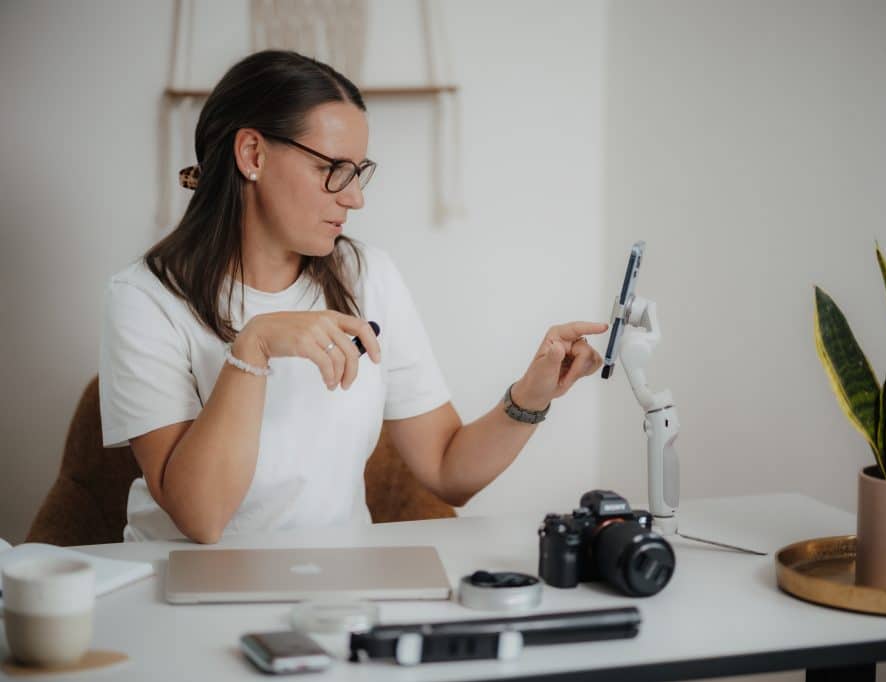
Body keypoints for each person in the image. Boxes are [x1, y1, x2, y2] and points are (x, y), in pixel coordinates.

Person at [99, 50, 606, 543]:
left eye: (359, 171)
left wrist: (532, 395)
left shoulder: (366, 275)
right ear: (252, 154)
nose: (355, 197)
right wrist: (251, 350)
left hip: (335, 583)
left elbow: (449, 472)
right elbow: (201, 518)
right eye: (334, 169)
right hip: (181, 586)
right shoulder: (145, 297)